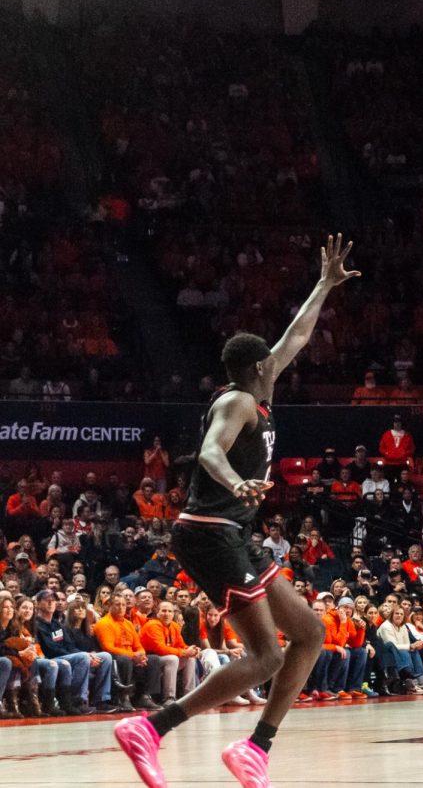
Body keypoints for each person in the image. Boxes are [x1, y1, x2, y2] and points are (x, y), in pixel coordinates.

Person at [114, 233, 359, 788]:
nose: (282, 359)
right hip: (209, 532)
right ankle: (150, 728)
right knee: (266, 655)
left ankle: (256, 749)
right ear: (255, 367)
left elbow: (296, 334)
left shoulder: (258, 393)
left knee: (310, 632)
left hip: (232, 533)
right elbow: (207, 453)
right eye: (271, 359)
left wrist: (324, 283)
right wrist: (239, 482)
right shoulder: (237, 400)